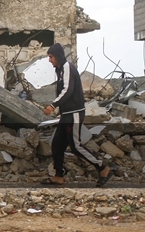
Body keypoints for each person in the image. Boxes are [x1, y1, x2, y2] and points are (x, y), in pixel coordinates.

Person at [43, 42, 114, 187]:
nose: (49, 60)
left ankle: (102, 168)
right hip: (66, 114)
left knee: (75, 145)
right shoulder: (60, 70)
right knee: (57, 144)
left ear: (57, 56)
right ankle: (58, 176)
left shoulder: (67, 67)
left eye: (51, 57)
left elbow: (68, 90)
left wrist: (53, 105)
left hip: (74, 113)